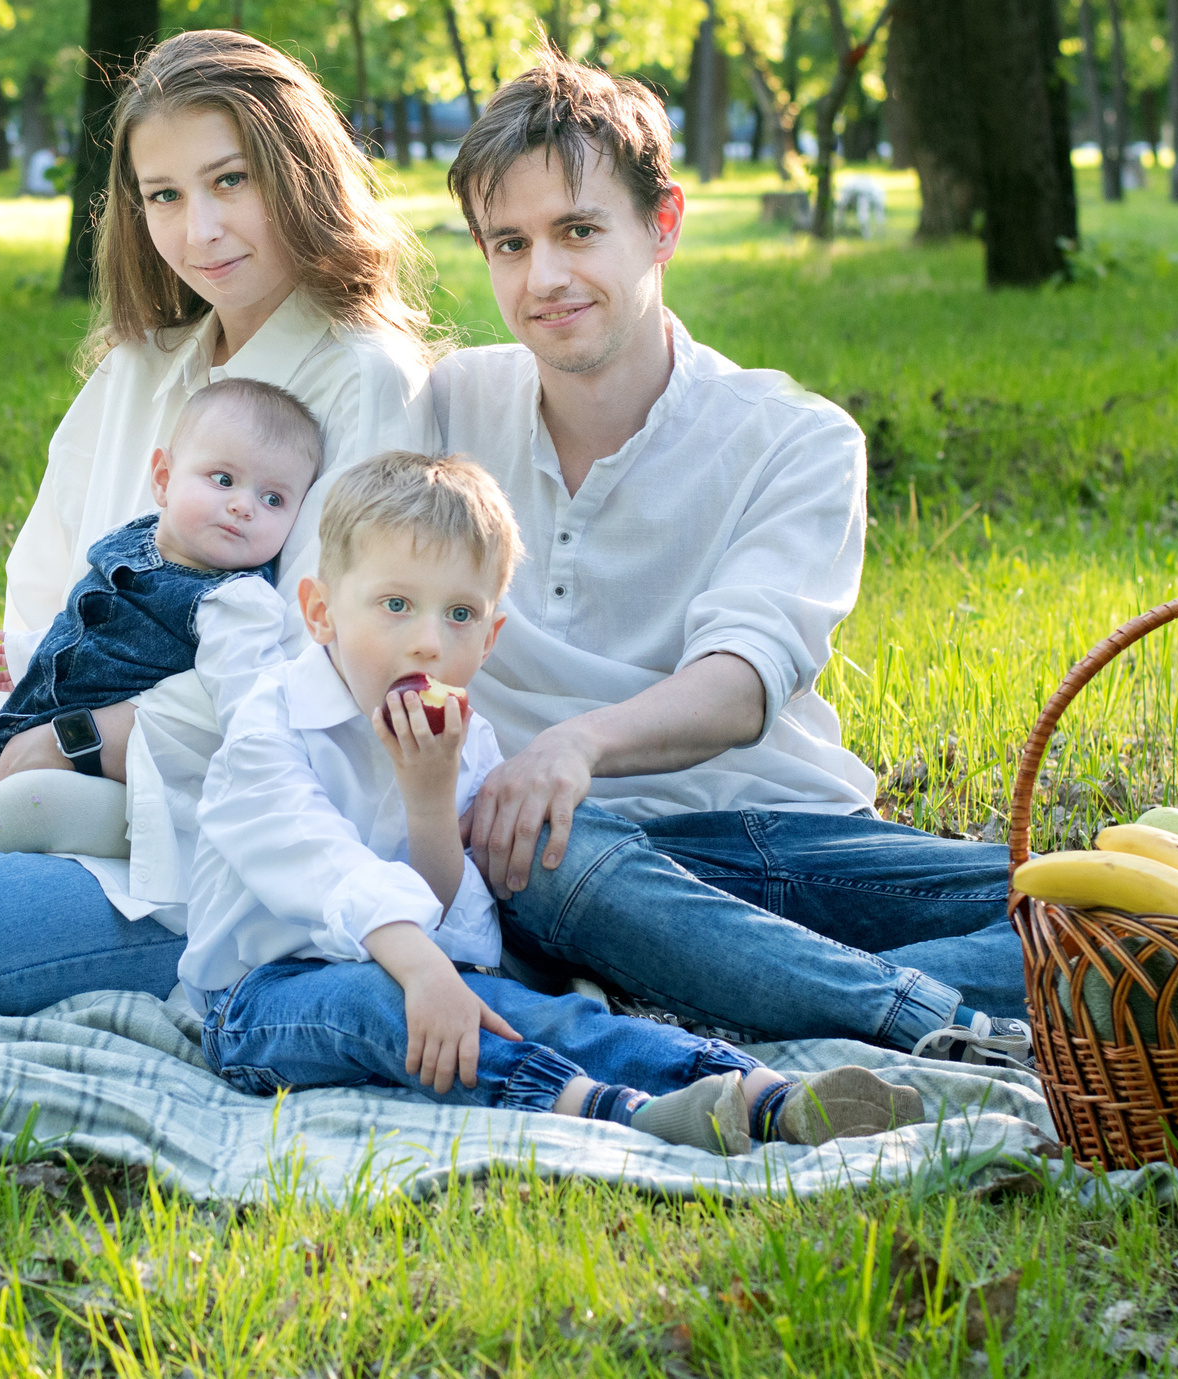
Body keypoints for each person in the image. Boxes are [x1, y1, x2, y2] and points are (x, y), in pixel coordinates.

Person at [432, 50, 1029, 1064]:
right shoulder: (444, 408)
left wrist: (576, 744)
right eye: (510, 244)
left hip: (777, 835)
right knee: (526, 846)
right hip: (570, 863)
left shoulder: (796, 438)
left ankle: (728, 994)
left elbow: (742, 683)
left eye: (578, 231)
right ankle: (921, 1018)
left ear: (662, 223)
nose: (544, 279)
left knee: (1111, 907)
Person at [0, 29, 437, 1013]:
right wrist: (38, 720)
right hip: (22, 754)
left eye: (230, 180)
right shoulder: (140, 368)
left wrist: (82, 736)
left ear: (299, 174)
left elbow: (318, 669)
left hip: (216, 834)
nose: (199, 229)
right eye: (163, 195)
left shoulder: (363, 379)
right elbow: (41, 590)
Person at [190, 451, 924, 1152]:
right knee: (382, 1004)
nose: (428, 643)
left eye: (459, 615)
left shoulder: (461, 740)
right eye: (395, 605)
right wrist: (421, 970)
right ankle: (612, 1111)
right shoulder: (269, 725)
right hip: (258, 999)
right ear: (320, 612)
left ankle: (758, 1093)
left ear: (490, 637)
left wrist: (428, 799)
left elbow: (453, 920)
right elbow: (318, 861)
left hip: (426, 973)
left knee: (535, 1012)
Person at [0, 379, 324, 898]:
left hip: (118, 788)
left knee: (24, 803)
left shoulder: (236, 602)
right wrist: (26, 654)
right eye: (223, 480)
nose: (244, 506)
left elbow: (246, 697)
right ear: (163, 479)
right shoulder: (140, 539)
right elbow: (88, 621)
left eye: (273, 499)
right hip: (47, 723)